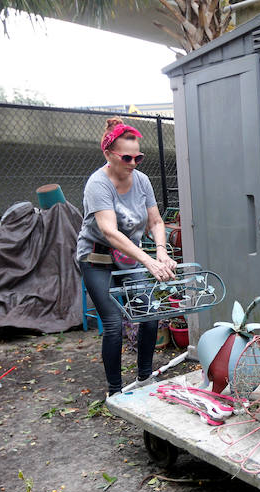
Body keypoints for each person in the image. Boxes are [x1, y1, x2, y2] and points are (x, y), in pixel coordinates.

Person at [76, 117, 177, 396]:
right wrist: (148, 261)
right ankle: (115, 391)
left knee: (149, 313)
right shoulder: (98, 184)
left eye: (138, 157)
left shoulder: (142, 181)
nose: (133, 162)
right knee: (112, 323)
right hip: (97, 259)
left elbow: (156, 222)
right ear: (109, 154)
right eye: (127, 157)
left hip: (129, 257)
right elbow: (109, 231)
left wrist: (160, 252)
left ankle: (145, 378)